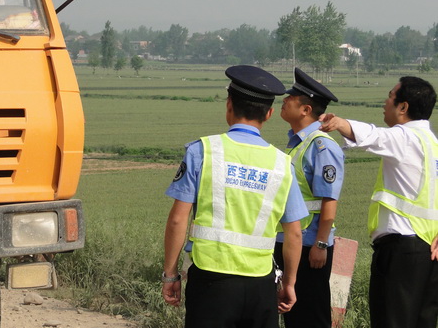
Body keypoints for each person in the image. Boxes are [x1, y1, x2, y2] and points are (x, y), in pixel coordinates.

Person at [162, 65, 308, 328]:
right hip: (261, 283)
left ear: (229, 105)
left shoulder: (202, 151)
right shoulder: (282, 164)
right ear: (269, 114)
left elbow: (177, 220)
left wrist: (170, 275)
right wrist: (289, 283)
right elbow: (294, 234)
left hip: (211, 281)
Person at [320, 76, 438, 328]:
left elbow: (374, 136)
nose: (385, 102)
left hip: (401, 250)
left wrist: (339, 123)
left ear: (403, 107)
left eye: (390, 96)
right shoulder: (432, 143)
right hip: (428, 252)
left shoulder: (405, 137)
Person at [273, 67, 344, 328]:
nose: (283, 101)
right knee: (294, 316)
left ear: (305, 109)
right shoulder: (298, 143)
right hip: (291, 241)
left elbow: (329, 200)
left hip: (309, 244)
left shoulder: (321, 146)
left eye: (290, 99)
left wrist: (321, 244)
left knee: (311, 315)